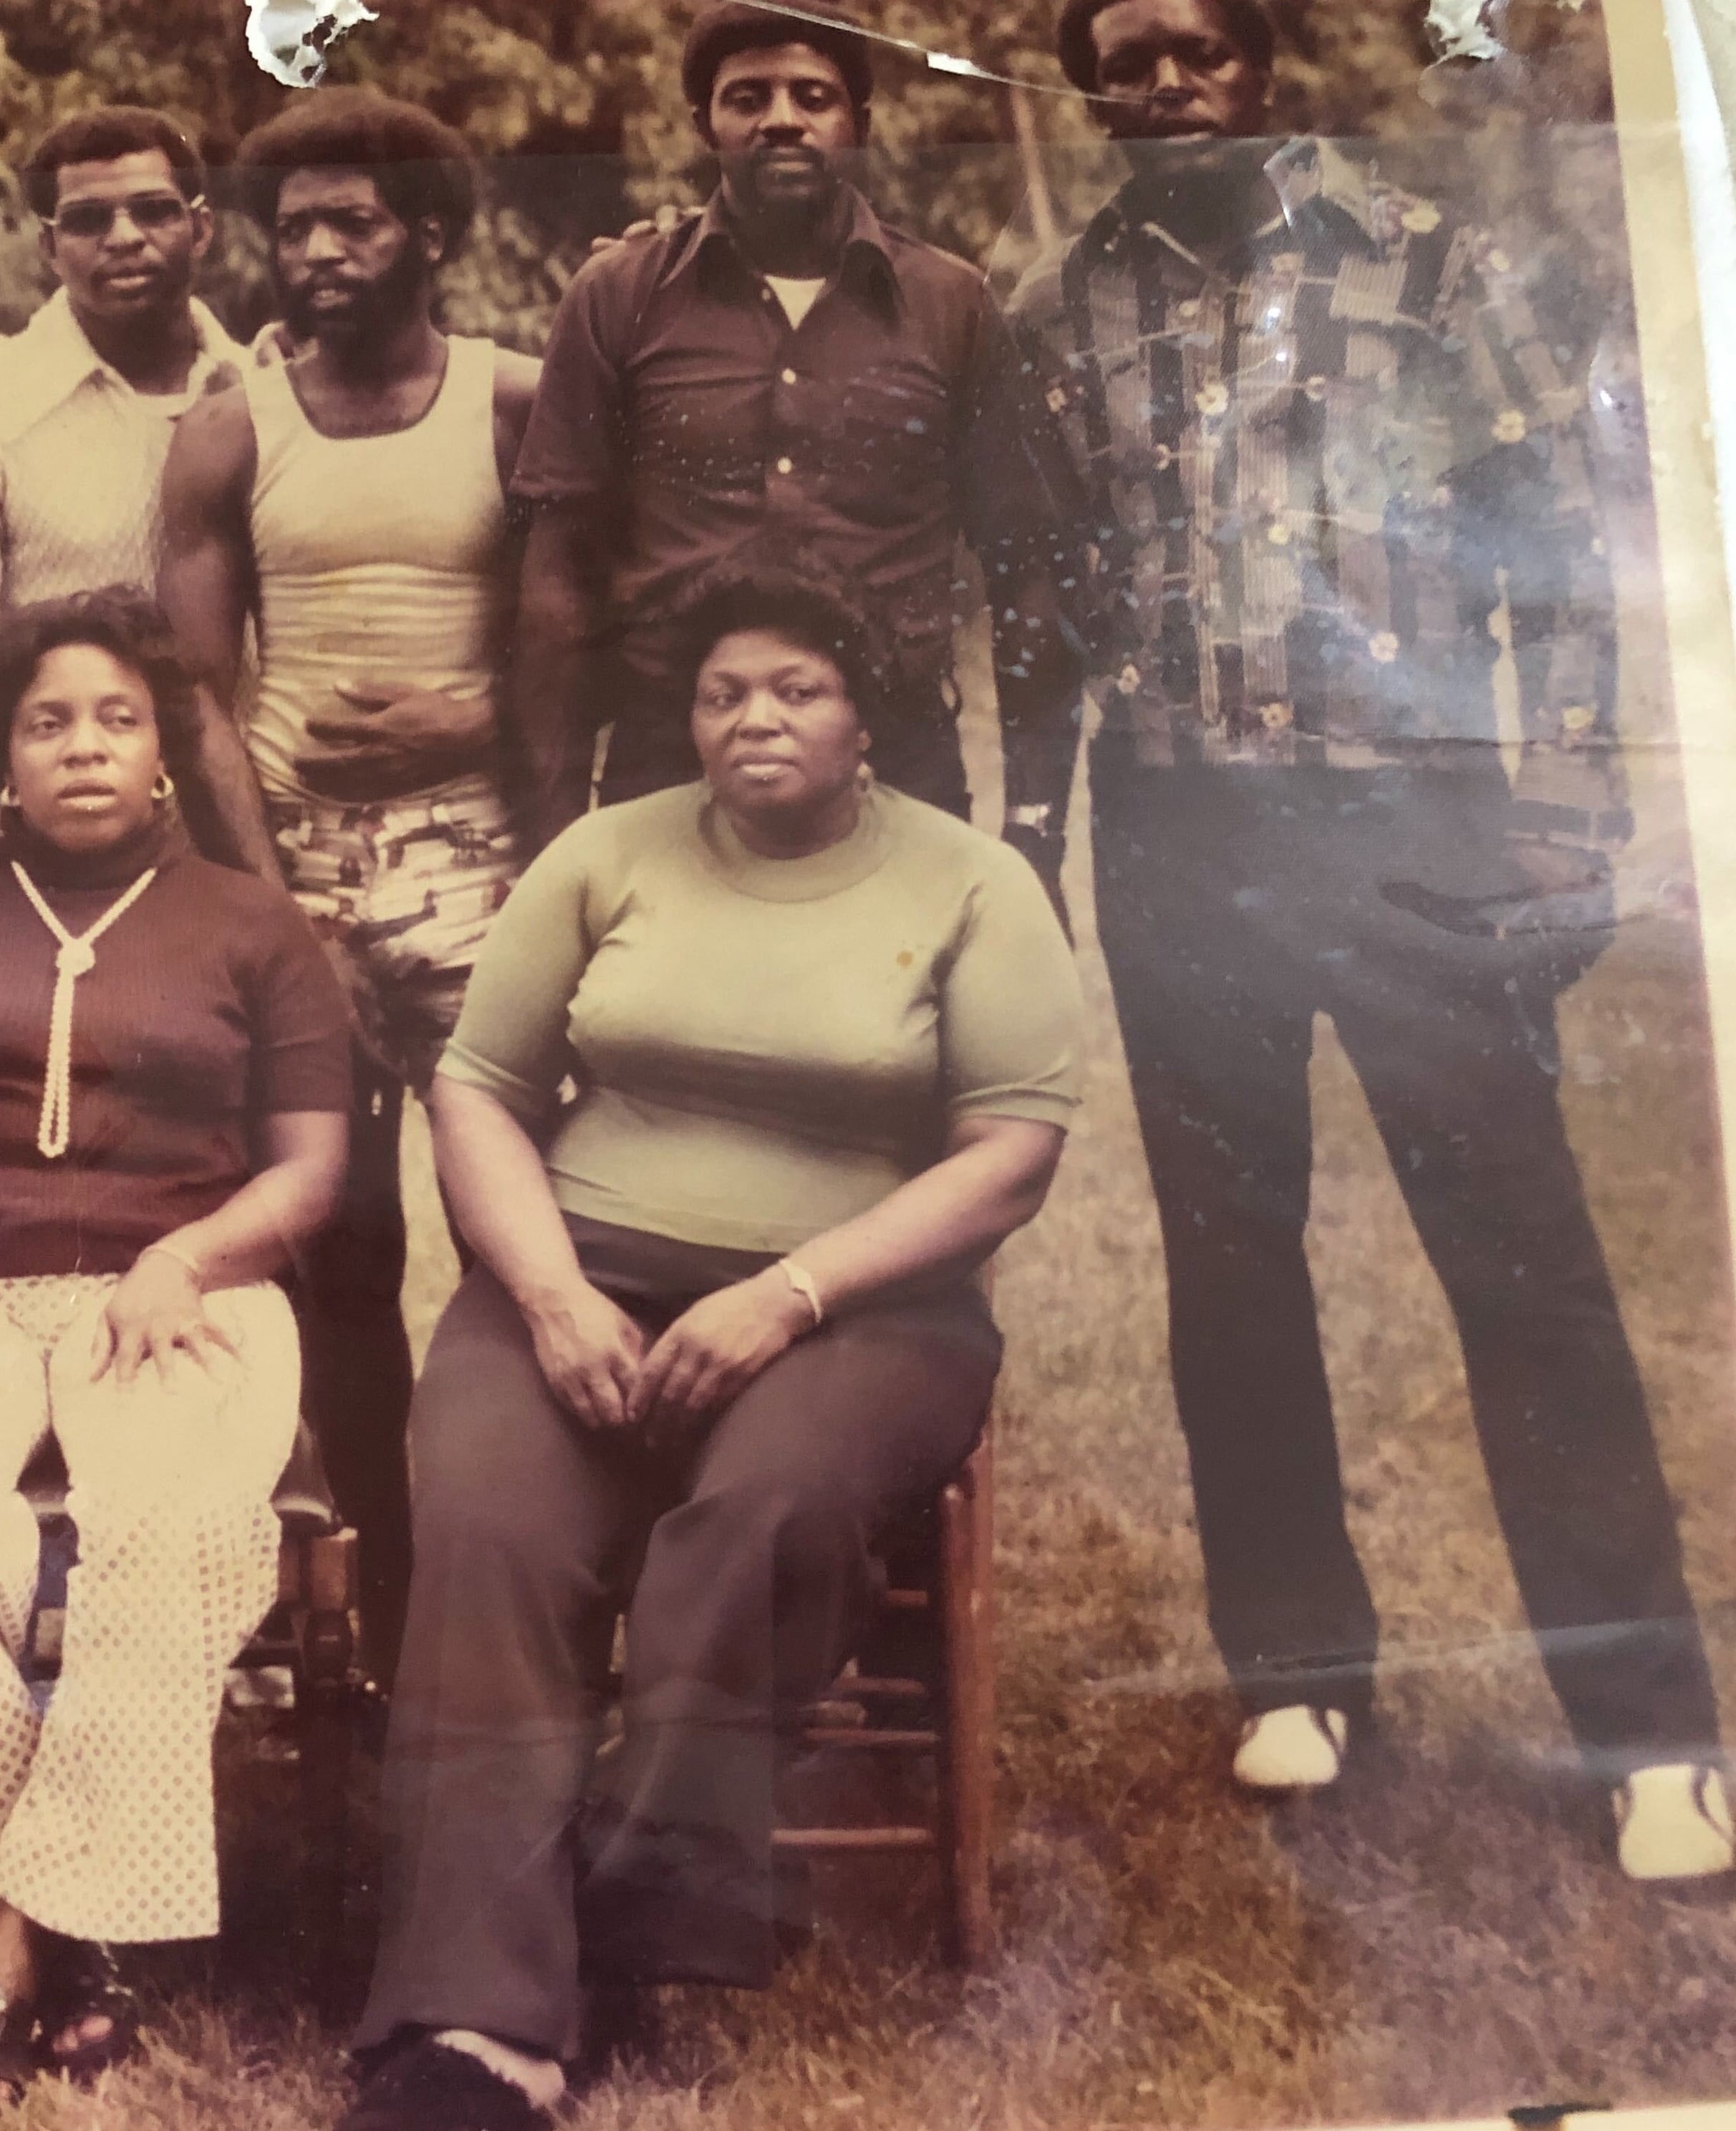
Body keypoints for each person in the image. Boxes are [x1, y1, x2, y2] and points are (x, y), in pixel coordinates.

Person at [1009, 0, 1730, 1877]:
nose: (1166, 89)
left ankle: (1652, 1727)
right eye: (1126, 63)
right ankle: (1305, 1674)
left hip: (1422, 824)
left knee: (1527, 1270)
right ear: (1091, 93)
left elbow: (1567, 550)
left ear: (1263, 61)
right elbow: (1043, 607)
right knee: (1233, 1264)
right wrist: (1034, 833)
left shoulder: (1439, 263)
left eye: (1197, 51)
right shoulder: (1054, 313)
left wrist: (1571, 819)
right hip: (1179, 838)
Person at [341, 544, 1083, 2131]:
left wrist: (790, 1290)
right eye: (724, 690)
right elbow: (475, 1086)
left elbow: (1011, 1146)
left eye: (797, 689)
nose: (757, 717)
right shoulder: (606, 855)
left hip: (862, 1310)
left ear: (862, 713)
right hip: (583, 1274)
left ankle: (627, 1907)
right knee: (483, 1526)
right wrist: (546, 1294)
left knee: (758, 1514)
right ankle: (476, 2032)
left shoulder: (968, 881)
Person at [0, 590, 349, 2111]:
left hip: (181, 1293)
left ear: (166, 748)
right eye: (48, 721)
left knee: (173, 1531)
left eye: (117, 717)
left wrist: (190, 1253)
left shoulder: (252, 918)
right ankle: (77, 1924)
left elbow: (308, 1164)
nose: (85, 745)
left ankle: (4, 1934)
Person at [158, 87, 538, 1683]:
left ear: (431, 237)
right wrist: (267, 903)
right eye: (295, 225)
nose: (315, 252)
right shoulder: (232, 422)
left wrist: (482, 715)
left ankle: (529, 1582)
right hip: (295, 861)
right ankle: (375, 1610)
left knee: (524, 1228)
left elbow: (586, 631)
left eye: (353, 224)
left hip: (485, 861)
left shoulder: (515, 403)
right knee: (340, 1248)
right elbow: (194, 692)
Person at [506, 3, 1086, 864]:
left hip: (897, 763)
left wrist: (1034, 824)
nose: (781, 117)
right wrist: (554, 834)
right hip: (670, 766)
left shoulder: (949, 304)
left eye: (812, 95)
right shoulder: (618, 295)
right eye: (748, 96)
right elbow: (557, 579)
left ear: (858, 123)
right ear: (706, 123)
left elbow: (1028, 568)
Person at [0, 107, 274, 870]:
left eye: (153, 210)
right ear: (51, 246)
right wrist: (7, 895)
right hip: (67, 854)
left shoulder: (268, 392)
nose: (124, 238)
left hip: (263, 840)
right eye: (89, 220)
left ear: (203, 228)